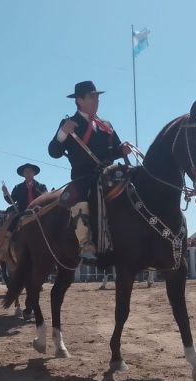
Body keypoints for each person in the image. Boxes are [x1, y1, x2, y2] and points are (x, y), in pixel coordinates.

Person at [48, 80, 132, 262]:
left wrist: (122, 150)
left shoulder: (106, 124)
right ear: (79, 100)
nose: (96, 100)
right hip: (84, 175)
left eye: (97, 97)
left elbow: (114, 150)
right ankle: (85, 242)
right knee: (81, 197)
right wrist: (63, 133)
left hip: (109, 173)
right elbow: (53, 152)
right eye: (91, 97)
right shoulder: (69, 123)